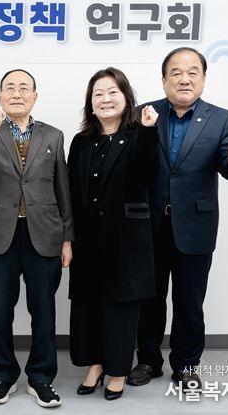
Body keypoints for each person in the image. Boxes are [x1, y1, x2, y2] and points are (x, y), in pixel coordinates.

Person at [128, 47, 228, 390]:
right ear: (164, 79)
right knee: (149, 300)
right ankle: (148, 361)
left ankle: (186, 364)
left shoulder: (220, 118)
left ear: (203, 78)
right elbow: (133, 163)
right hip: (150, 226)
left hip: (195, 226)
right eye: (176, 73)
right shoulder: (144, 113)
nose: (185, 79)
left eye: (192, 72)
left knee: (190, 301)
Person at [0, 69, 73, 409]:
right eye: (9, 88)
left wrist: (67, 238)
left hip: (44, 233)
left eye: (24, 88)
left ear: (35, 97)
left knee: (44, 310)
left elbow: (63, 189)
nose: (17, 93)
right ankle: (4, 375)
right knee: (0, 309)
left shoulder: (53, 135)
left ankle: (41, 378)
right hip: (0, 233)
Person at [67, 67, 159, 401]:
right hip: (87, 239)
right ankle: (94, 365)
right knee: (88, 306)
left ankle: (118, 370)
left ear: (126, 97)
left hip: (126, 239)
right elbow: (71, 192)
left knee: (120, 308)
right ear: (90, 103)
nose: (105, 99)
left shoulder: (139, 134)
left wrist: (148, 131)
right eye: (98, 94)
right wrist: (67, 237)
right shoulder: (81, 141)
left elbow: (146, 169)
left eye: (112, 92)